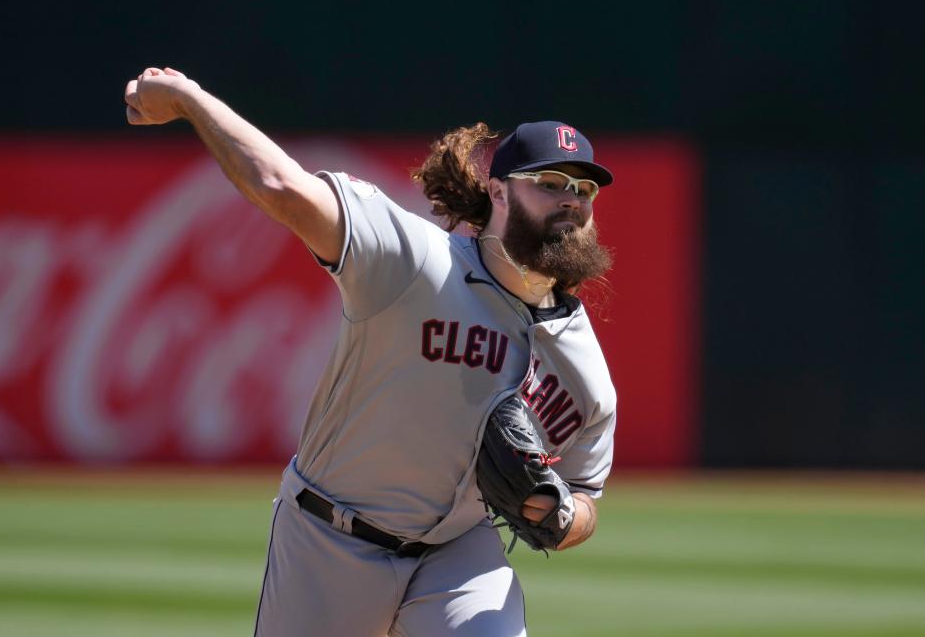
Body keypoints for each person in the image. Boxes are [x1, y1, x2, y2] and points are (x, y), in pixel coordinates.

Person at [124, 66, 618, 637]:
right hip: (330, 538)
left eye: (583, 190)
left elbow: (584, 500)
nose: (570, 201)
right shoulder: (415, 261)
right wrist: (191, 99)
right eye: (549, 182)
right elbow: (282, 187)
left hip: (458, 554)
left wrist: (558, 512)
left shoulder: (585, 373)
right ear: (499, 191)